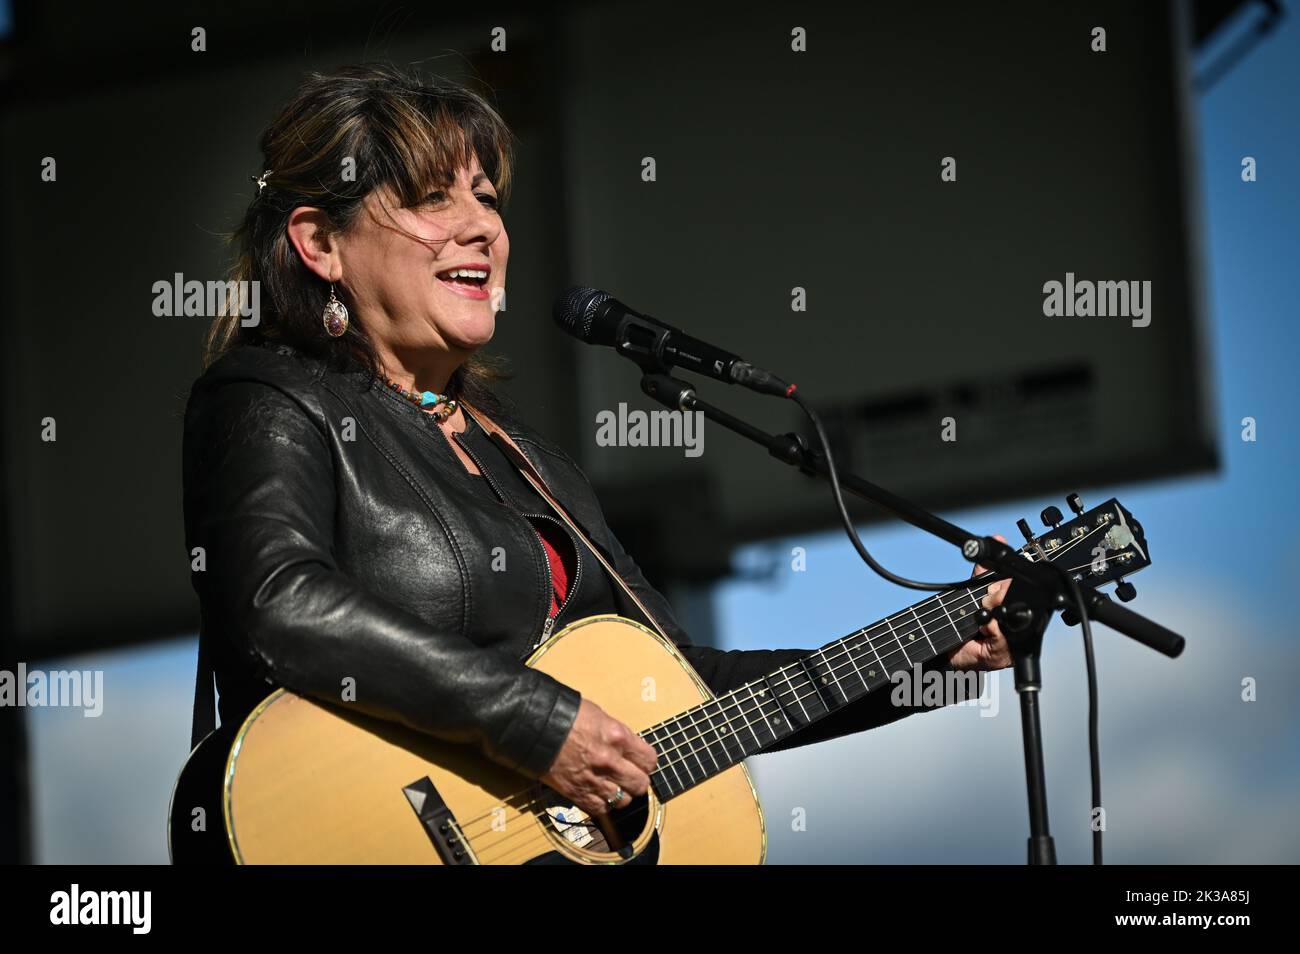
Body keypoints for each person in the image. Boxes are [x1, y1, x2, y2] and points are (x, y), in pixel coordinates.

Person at [182, 63, 1013, 830]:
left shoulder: (533, 464)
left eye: (486, 196)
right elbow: (279, 602)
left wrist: (932, 660)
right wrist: (535, 723)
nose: (482, 227)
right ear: (320, 243)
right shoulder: (268, 396)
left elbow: (690, 692)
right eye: (434, 199)